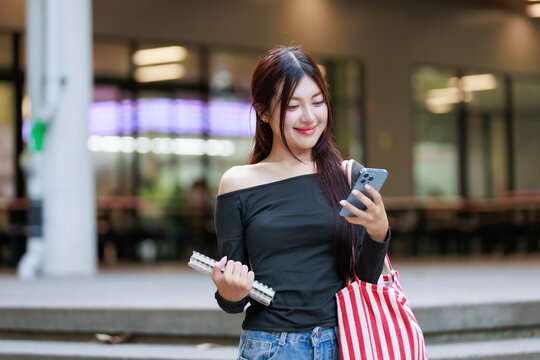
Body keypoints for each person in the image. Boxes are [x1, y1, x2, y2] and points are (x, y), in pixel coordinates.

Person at [211, 45, 390, 360]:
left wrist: (378, 232)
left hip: (345, 343)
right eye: (293, 106)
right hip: (271, 346)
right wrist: (229, 291)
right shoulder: (237, 183)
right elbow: (234, 296)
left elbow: (366, 278)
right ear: (263, 112)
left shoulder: (349, 176)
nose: (309, 116)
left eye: (318, 102)